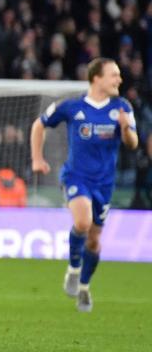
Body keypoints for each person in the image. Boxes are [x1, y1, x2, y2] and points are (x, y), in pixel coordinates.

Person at [31, 57, 138, 313]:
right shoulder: (72, 106)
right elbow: (39, 124)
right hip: (76, 177)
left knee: (94, 241)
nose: (119, 80)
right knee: (82, 222)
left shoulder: (122, 107)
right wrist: (37, 158)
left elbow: (132, 143)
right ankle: (73, 269)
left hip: (105, 183)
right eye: (114, 75)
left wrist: (125, 130)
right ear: (96, 78)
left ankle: (84, 287)